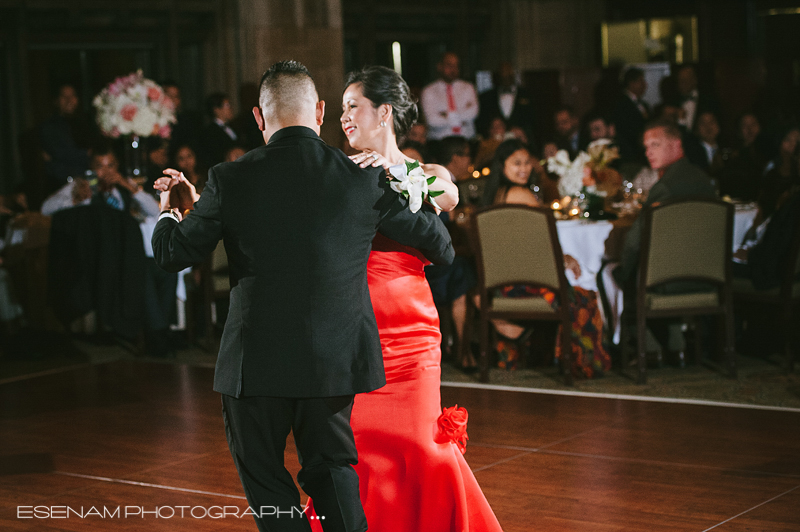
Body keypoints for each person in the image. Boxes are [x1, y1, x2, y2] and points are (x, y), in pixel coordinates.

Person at [151, 60, 454, 532]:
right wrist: (398, 184)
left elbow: (172, 254)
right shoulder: (363, 177)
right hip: (332, 361)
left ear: (258, 117)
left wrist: (174, 210)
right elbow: (442, 246)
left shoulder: (228, 179)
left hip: (256, 365)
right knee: (332, 471)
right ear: (318, 111)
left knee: (267, 481)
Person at [327, 64, 502, 531]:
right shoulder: (339, 171)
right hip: (357, 321)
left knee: (421, 442)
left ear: (383, 112)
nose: (343, 117)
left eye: (352, 106)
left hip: (413, 327)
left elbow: (449, 196)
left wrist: (398, 174)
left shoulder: (426, 171)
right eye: (341, 108)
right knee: (359, 440)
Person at [488, 139, 610, 377]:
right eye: (516, 163)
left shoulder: (498, 195)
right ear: (502, 166)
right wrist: (564, 258)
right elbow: (544, 242)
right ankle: (581, 364)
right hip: (527, 284)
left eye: (527, 162)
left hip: (503, 284)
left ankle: (541, 349)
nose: (524, 168)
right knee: (584, 296)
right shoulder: (523, 195)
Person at [421, 52, 479, 140]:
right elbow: (432, 121)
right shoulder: (429, 91)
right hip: (440, 141)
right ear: (440, 66)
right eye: (449, 65)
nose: (453, 69)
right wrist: (461, 117)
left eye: (456, 66)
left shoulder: (468, 88)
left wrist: (445, 114)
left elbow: (473, 113)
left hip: (466, 138)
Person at [476, 61, 536, 146]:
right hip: (495, 144)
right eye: (503, 73)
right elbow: (481, 122)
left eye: (509, 73)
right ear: (498, 75)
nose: (506, 76)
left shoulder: (527, 95)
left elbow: (534, 120)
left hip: (521, 143)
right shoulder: (486, 97)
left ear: (514, 74)